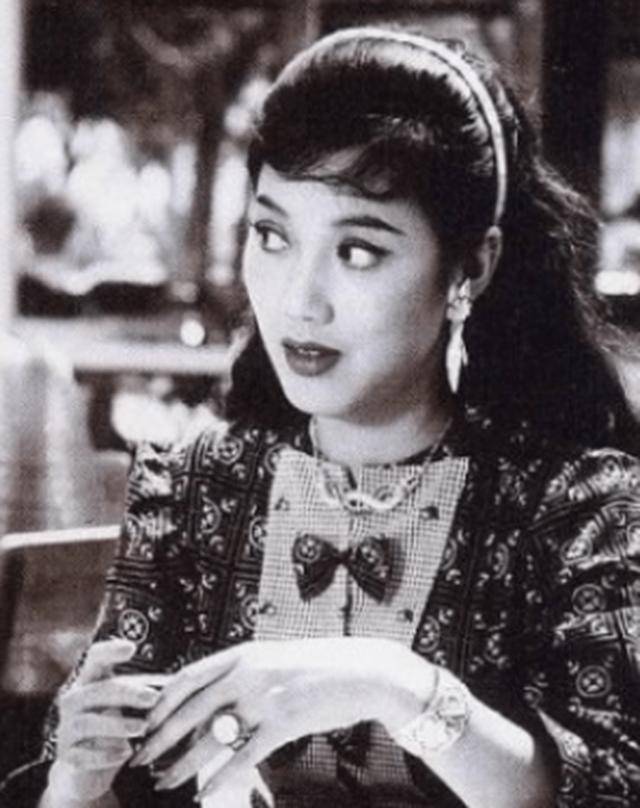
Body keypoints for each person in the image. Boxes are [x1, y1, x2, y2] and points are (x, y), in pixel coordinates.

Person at [3, 24, 640, 808]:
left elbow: (608, 788)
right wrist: (76, 780)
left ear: (471, 267)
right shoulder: (196, 490)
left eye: (358, 251)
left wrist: (390, 683)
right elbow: (116, 787)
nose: (299, 300)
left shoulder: (573, 512)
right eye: (272, 236)